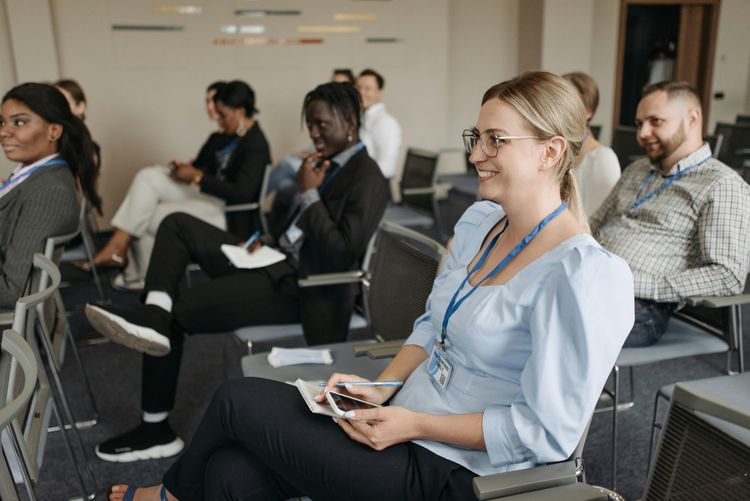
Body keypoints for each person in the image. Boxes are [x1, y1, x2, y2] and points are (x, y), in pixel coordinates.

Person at [105, 71, 634, 501]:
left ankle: (166, 497)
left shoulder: (585, 275)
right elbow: (431, 326)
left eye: (496, 140)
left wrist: (414, 424)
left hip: (455, 471)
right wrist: (382, 386)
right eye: (476, 138)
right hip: (402, 421)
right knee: (228, 474)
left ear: (550, 151)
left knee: (235, 399)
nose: (476, 155)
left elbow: (545, 434)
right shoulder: (481, 224)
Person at [85, 82, 390, 463]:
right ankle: (154, 312)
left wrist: (309, 194)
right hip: (274, 259)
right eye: (310, 125)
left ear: (350, 122)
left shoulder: (368, 178)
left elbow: (342, 252)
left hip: (305, 287)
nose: (314, 133)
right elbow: (296, 228)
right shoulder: (322, 163)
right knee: (177, 223)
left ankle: (155, 430)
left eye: (321, 125)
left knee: (177, 316)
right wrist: (270, 235)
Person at [590, 80, 750, 347]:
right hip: (592, 280)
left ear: (692, 119)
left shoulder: (721, 184)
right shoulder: (637, 169)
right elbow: (593, 223)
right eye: (639, 123)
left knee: (547, 322)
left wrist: (643, 285)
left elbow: (727, 276)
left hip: (640, 304)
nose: (643, 133)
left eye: (655, 121)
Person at [83, 80, 270, 283]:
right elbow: (201, 166)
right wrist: (184, 170)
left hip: (229, 211)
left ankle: (138, 275)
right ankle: (119, 249)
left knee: (149, 214)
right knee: (148, 176)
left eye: (223, 115)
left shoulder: (255, 144)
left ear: (240, 111)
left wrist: (197, 177)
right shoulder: (221, 137)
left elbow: (242, 193)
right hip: (207, 195)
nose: (219, 120)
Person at [0, 83, 101, 308]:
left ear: (53, 131)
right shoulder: (34, 174)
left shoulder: (49, 191)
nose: (3, 132)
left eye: (19, 122)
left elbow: (12, 290)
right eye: (2, 122)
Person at [562, 72, 620, 216]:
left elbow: (601, 218)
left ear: (588, 112)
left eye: (567, 104)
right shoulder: (553, 149)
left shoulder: (603, 158)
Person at [356, 68, 402, 179]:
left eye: (367, 88)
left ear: (379, 93)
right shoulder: (363, 119)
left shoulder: (385, 123)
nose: (361, 92)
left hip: (374, 186)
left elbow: (387, 168)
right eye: (358, 88)